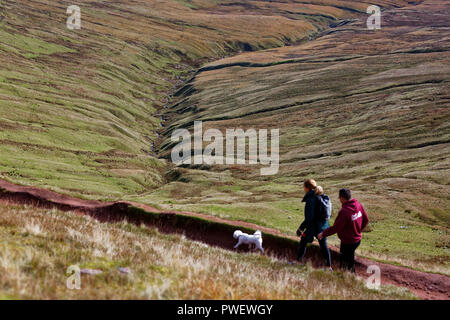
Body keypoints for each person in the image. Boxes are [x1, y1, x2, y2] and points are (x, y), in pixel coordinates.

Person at [318, 188, 369, 272]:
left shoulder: (344, 212)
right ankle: (351, 275)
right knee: (350, 258)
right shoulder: (358, 205)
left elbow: (336, 227)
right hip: (357, 239)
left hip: (348, 242)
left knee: (344, 263)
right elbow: (366, 220)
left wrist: (323, 234)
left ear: (341, 198)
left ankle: (347, 277)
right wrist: (358, 231)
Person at [296, 179, 331, 269]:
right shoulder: (320, 196)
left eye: (304, 187)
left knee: (303, 241)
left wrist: (300, 228)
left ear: (307, 188)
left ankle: (298, 261)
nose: (303, 189)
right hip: (322, 226)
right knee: (323, 246)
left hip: (314, 226)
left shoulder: (311, 199)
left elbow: (309, 218)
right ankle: (328, 267)